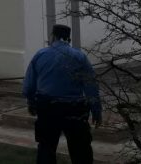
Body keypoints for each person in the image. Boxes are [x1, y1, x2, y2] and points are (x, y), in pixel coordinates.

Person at [23, 24, 102, 164]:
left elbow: (29, 86)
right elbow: (91, 86)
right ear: (69, 39)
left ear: (52, 37)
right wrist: (96, 111)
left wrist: (31, 102)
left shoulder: (41, 55)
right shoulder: (80, 57)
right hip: (74, 110)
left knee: (46, 148)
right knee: (81, 150)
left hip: (47, 108)